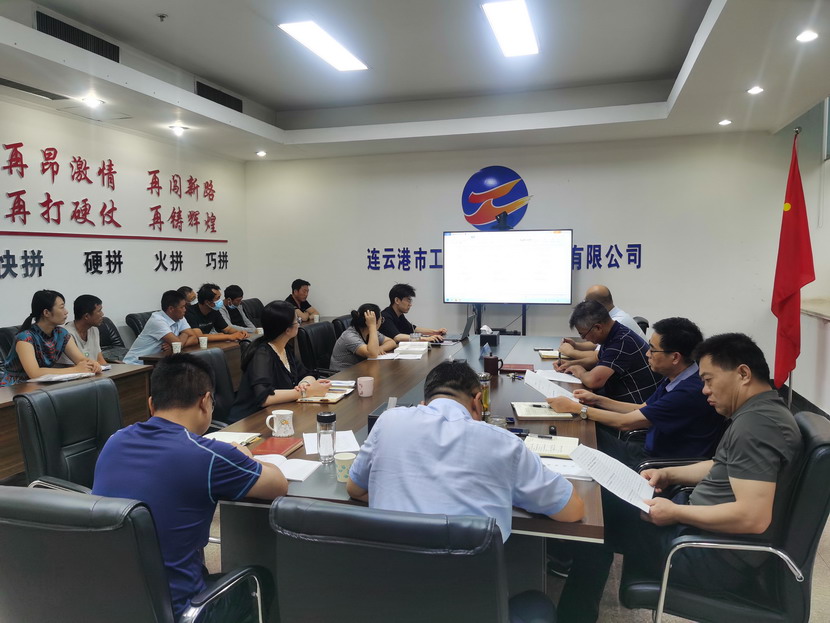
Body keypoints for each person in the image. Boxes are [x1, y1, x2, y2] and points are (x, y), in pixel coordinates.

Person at [557, 333, 803, 623]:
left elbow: (752, 517)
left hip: (702, 553)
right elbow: (720, 465)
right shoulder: (760, 412)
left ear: (743, 374)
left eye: (709, 380)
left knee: (593, 521)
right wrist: (669, 473)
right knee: (598, 510)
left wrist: (675, 513)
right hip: (697, 531)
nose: (704, 390)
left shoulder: (758, 426)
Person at [92, 354, 288, 620]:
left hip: (111, 603)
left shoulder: (114, 442)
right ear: (205, 401)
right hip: (183, 611)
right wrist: (246, 456)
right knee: (261, 579)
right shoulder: (208, 455)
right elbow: (278, 485)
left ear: (151, 404)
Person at [346, 360, 584, 542]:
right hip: (471, 585)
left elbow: (355, 489)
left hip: (390, 580)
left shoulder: (389, 421)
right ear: (477, 401)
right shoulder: (503, 442)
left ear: (424, 403)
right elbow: (573, 510)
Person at [548, 317, 725, 467]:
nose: (647, 354)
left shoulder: (688, 391)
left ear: (675, 357)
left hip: (657, 463)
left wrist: (577, 409)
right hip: (649, 446)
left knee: (580, 438)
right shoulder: (678, 375)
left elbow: (625, 423)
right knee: (582, 433)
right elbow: (641, 408)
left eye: (652, 350)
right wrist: (597, 399)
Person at [229, 301, 330, 422]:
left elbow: (307, 374)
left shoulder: (284, 348)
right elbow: (264, 397)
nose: (299, 324)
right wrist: (305, 393)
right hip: (251, 420)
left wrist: (304, 384)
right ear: (287, 330)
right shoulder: (262, 354)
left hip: (277, 414)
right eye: (297, 321)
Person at [554, 300, 662, 404]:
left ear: (597, 328)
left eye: (583, 334)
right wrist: (570, 364)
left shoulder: (621, 341)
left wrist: (579, 370)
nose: (584, 339)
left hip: (634, 406)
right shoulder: (615, 333)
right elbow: (597, 360)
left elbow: (593, 381)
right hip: (619, 397)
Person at [1, 290, 102, 386]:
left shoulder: (61, 333)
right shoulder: (25, 338)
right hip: (15, 387)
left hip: (42, 385)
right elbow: (34, 373)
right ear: (46, 313)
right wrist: (76, 369)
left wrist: (92, 364)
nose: (66, 312)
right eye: (61, 307)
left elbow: (81, 360)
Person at [559, 285, 644, 368]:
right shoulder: (613, 316)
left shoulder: (617, 322)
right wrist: (576, 345)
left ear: (596, 305)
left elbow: (597, 357)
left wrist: (570, 352)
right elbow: (599, 345)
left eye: (586, 302)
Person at [123, 290, 200, 364]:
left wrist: (173, 346)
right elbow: (178, 343)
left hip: (156, 362)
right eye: (182, 307)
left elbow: (194, 338)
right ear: (171, 309)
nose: (185, 310)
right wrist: (184, 335)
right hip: (135, 364)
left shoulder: (180, 317)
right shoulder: (157, 320)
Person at [329, 303, 396, 371]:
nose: (381, 322)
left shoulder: (370, 332)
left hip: (360, 370)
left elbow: (391, 342)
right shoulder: (350, 336)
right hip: (342, 375)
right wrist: (372, 326)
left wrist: (380, 348)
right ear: (374, 321)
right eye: (381, 320)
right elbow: (372, 355)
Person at [379, 283, 447, 343]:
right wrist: (425, 339)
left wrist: (435, 332)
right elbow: (397, 337)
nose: (410, 304)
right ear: (397, 300)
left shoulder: (399, 315)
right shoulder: (385, 316)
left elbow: (413, 329)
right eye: (408, 300)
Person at [57, 294, 109, 367]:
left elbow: (100, 360)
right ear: (86, 316)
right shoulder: (67, 334)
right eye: (99, 311)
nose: (102, 314)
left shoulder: (94, 330)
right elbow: (71, 366)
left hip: (94, 371)